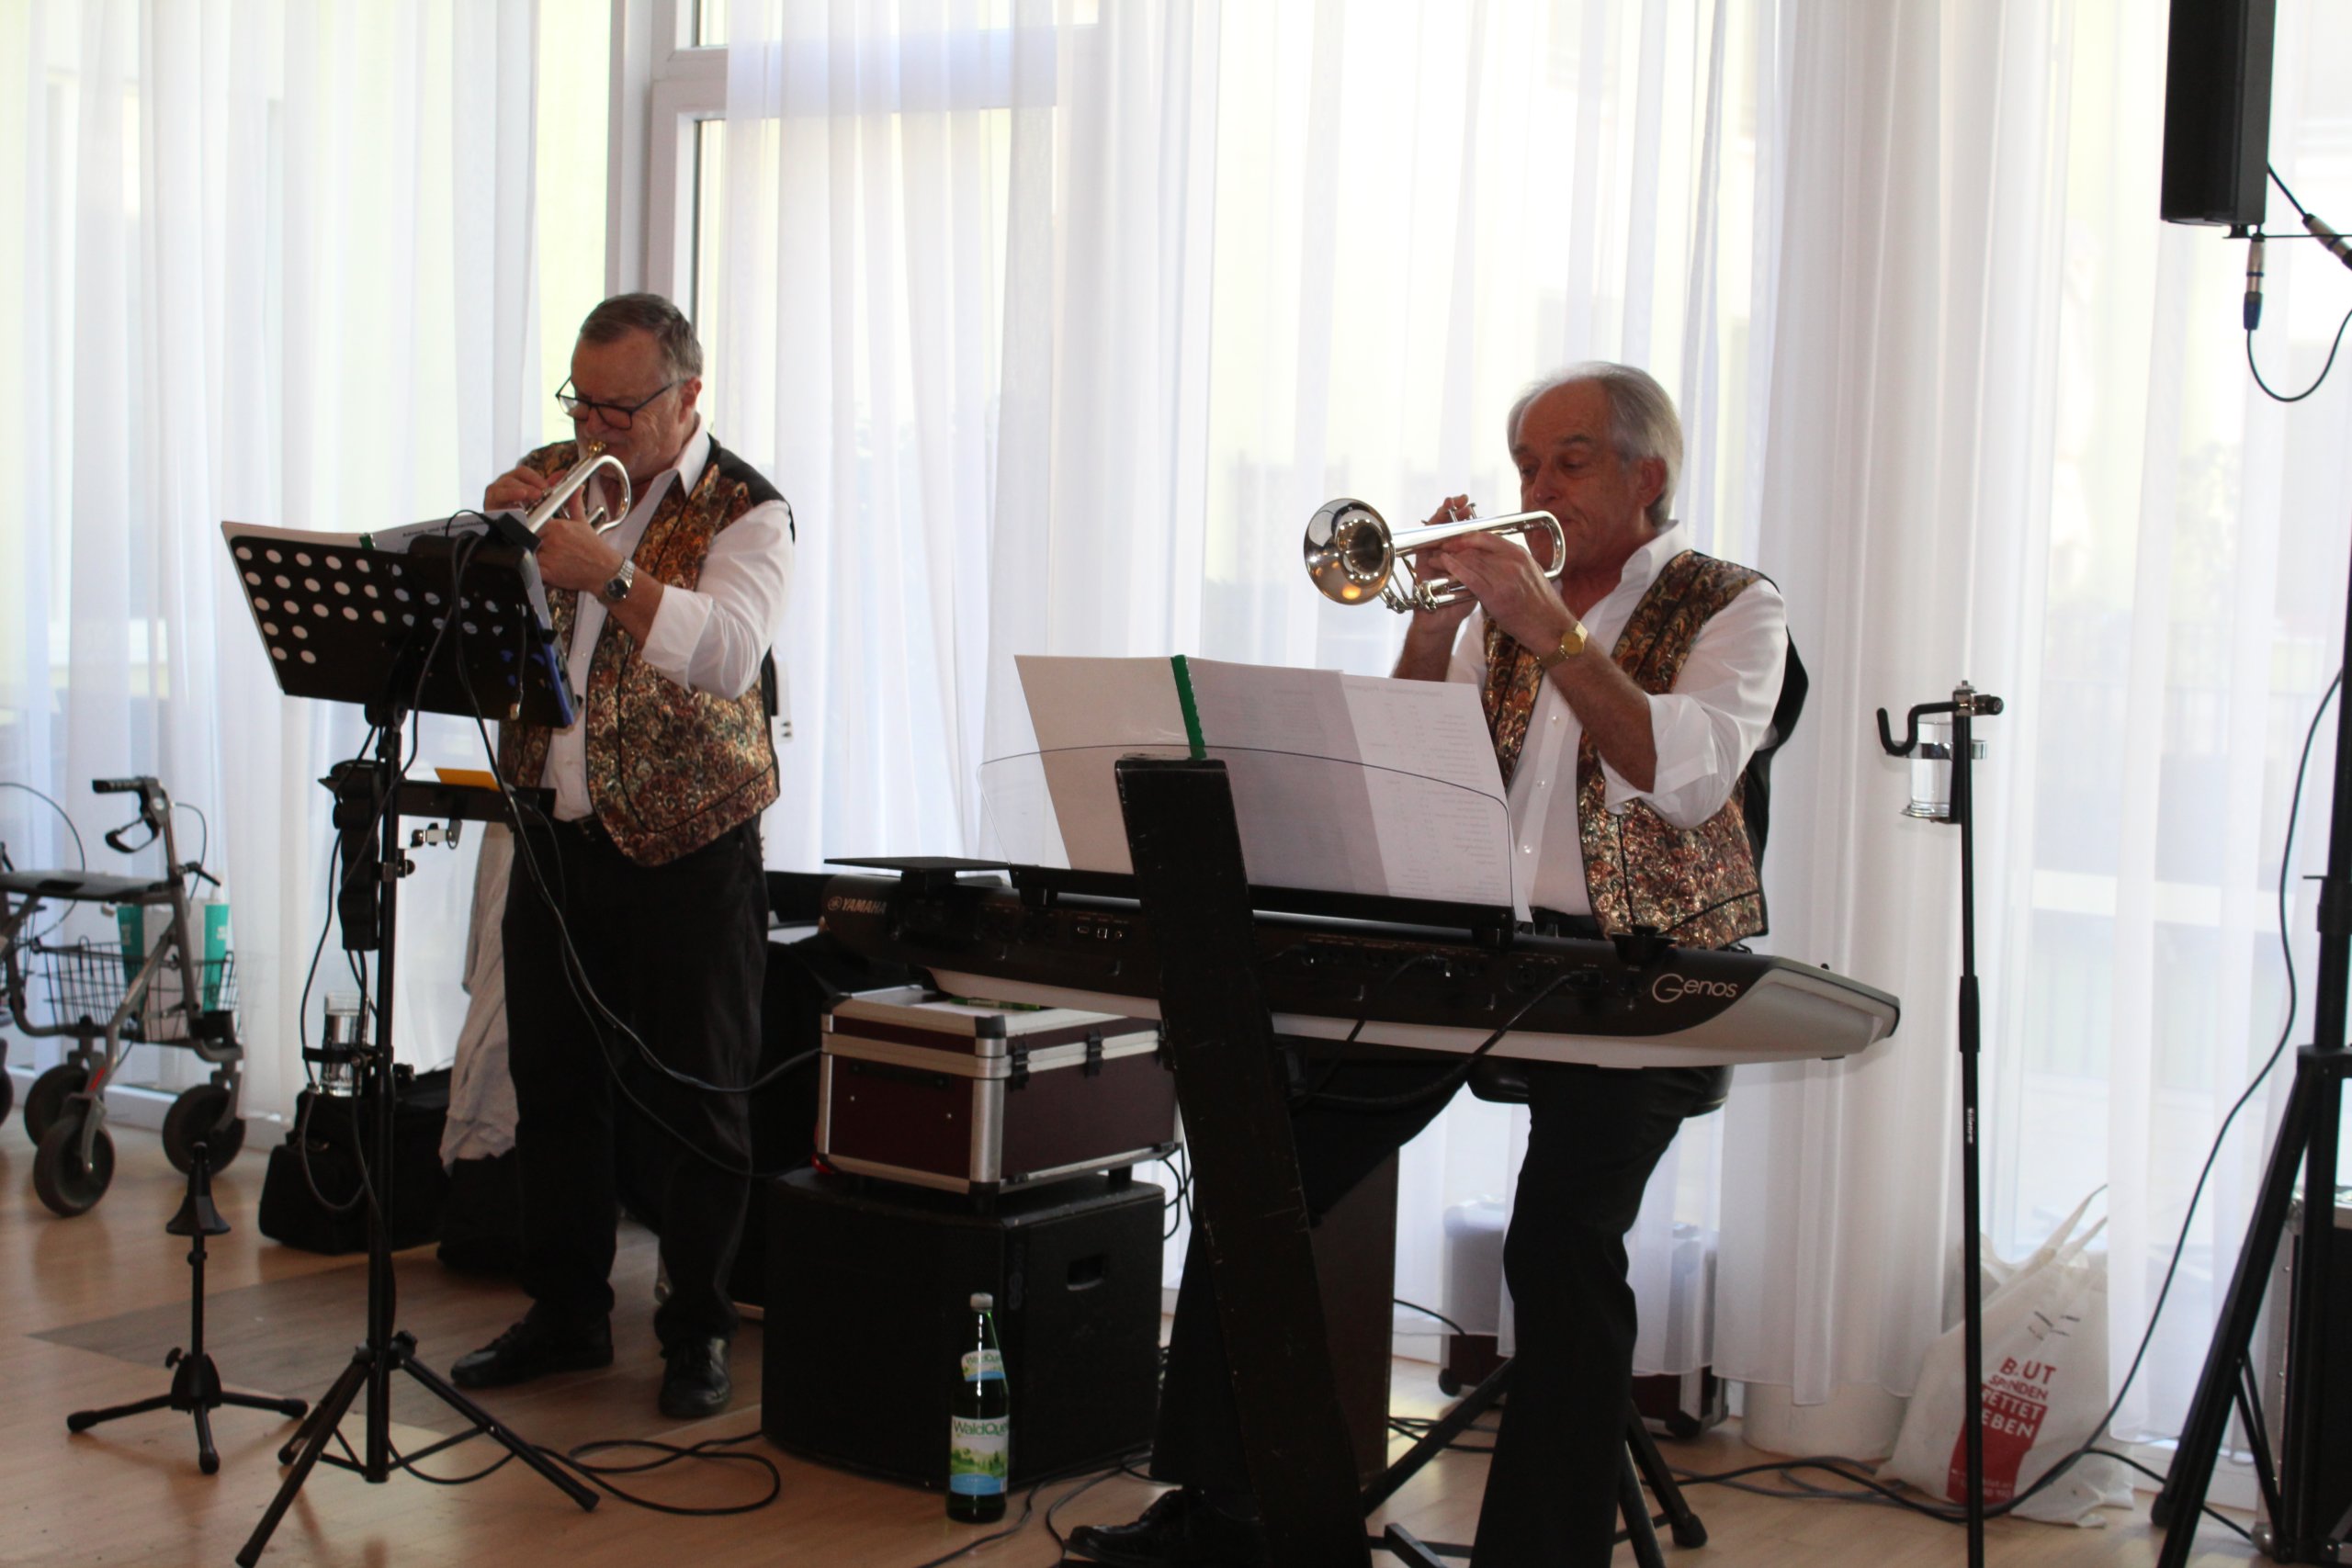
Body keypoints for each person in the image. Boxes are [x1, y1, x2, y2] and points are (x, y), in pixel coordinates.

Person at [1069, 364, 1790, 1566]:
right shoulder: (1503, 616)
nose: (1536, 486)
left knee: (1559, 1240)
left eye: (1566, 461)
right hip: (1480, 953)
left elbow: (1684, 775)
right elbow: (1397, 773)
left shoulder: (1734, 605)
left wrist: (1545, 626)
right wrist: (1434, 630)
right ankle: (1224, 1511)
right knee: (1261, 1158)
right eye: (1524, 464)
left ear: (1647, 476)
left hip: (1640, 976)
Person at [447, 292, 794, 1421]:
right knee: (556, 1086)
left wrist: (607, 572)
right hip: (556, 835)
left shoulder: (750, 509)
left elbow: (728, 653)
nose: (594, 429)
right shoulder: (560, 476)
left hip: (690, 845)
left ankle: (697, 1330)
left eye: (620, 408)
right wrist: (486, 541)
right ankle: (566, 1313)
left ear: (687, 395)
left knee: (699, 1100)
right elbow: (485, 632)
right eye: (580, 403)